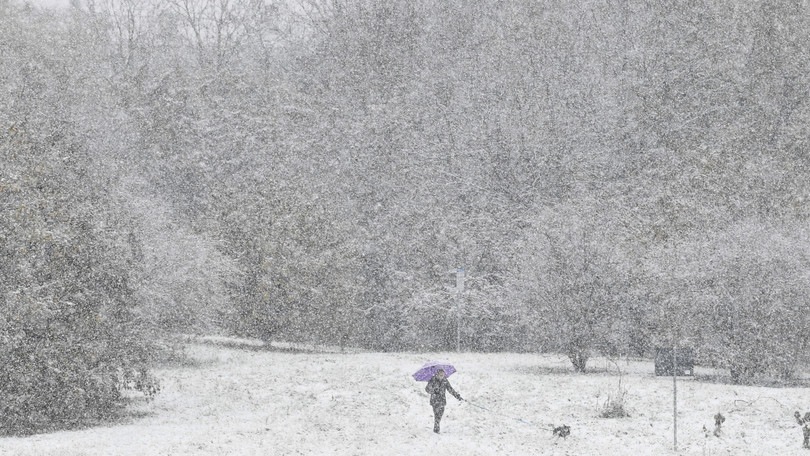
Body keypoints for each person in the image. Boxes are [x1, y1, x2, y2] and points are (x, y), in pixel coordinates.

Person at [425, 369, 463, 433]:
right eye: (440, 374)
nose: (441, 375)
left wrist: (458, 396)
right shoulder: (433, 380)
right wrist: (433, 390)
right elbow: (427, 389)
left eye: (443, 374)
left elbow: (450, 389)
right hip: (434, 400)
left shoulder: (445, 380)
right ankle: (436, 428)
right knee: (436, 414)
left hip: (442, 400)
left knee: (440, 414)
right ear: (437, 374)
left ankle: (437, 424)